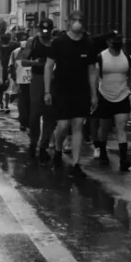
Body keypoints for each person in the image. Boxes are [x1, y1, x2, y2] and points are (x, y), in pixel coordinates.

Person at [44, 10, 97, 179]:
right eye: (75, 20)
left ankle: (76, 163)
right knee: (63, 126)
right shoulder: (59, 42)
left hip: (81, 90)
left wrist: (94, 93)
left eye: (81, 20)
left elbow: (92, 70)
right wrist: (47, 91)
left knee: (78, 126)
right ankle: (58, 149)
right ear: (68, 22)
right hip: (62, 89)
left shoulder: (88, 43)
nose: (78, 23)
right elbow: (48, 66)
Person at [91, 30, 131, 171]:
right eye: (114, 41)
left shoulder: (128, 59)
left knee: (121, 127)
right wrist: (93, 96)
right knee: (104, 127)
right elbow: (94, 78)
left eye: (119, 40)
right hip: (104, 96)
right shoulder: (100, 57)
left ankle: (124, 159)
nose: (117, 43)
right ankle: (103, 152)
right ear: (108, 43)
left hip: (122, 96)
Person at [23, 18, 57, 161]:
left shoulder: (55, 43)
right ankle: (33, 143)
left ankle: (43, 146)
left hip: (53, 79)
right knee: (35, 113)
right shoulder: (33, 42)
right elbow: (22, 60)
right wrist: (34, 62)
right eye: (42, 30)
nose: (44, 32)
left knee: (50, 114)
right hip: (37, 78)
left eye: (47, 30)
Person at [10, 30, 32, 132]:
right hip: (25, 82)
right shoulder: (17, 52)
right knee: (24, 101)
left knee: (25, 101)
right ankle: (24, 121)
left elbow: (12, 66)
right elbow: (13, 66)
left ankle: (25, 121)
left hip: (27, 82)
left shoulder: (18, 52)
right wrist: (15, 79)